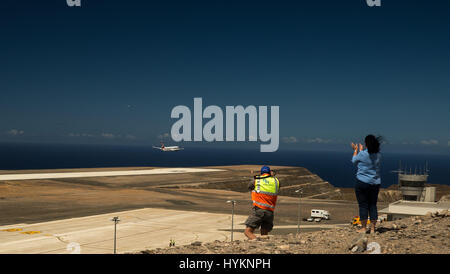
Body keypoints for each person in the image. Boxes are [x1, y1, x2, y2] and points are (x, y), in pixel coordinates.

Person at [351, 135, 382, 234]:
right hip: (375, 183)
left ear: (366, 144)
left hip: (362, 182)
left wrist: (356, 150)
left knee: (363, 205)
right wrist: (362, 151)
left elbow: (354, 161)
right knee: (373, 205)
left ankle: (364, 228)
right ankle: (373, 229)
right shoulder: (378, 155)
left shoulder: (362, 154)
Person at [244, 165, 280, 240]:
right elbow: (276, 184)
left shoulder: (257, 180)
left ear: (261, 172)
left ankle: (257, 242)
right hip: (270, 212)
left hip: (259, 210)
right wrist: (272, 176)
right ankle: (265, 246)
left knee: (247, 232)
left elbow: (249, 186)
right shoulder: (276, 181)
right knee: (264, 233)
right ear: (270, 172)